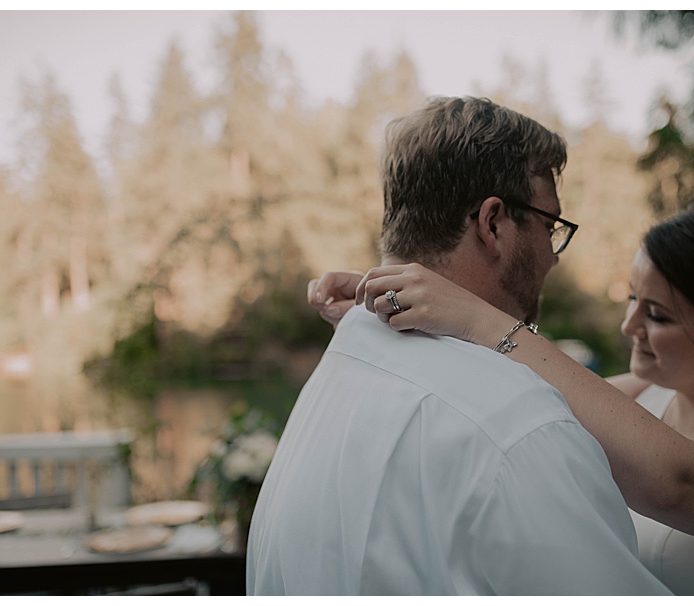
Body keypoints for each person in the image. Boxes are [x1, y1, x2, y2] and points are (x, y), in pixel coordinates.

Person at [311, 202, 694, 595]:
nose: (628, 325)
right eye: (634, 299)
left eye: (657, 315)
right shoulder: (641, 395)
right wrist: (392, 300)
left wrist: (478, 317)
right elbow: (504, 394)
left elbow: (679, 480)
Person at [247, 96, 669, 595]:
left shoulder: (339, 375)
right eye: (550, 226)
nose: (553, 257)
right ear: (492, 224)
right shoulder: (518, 432)